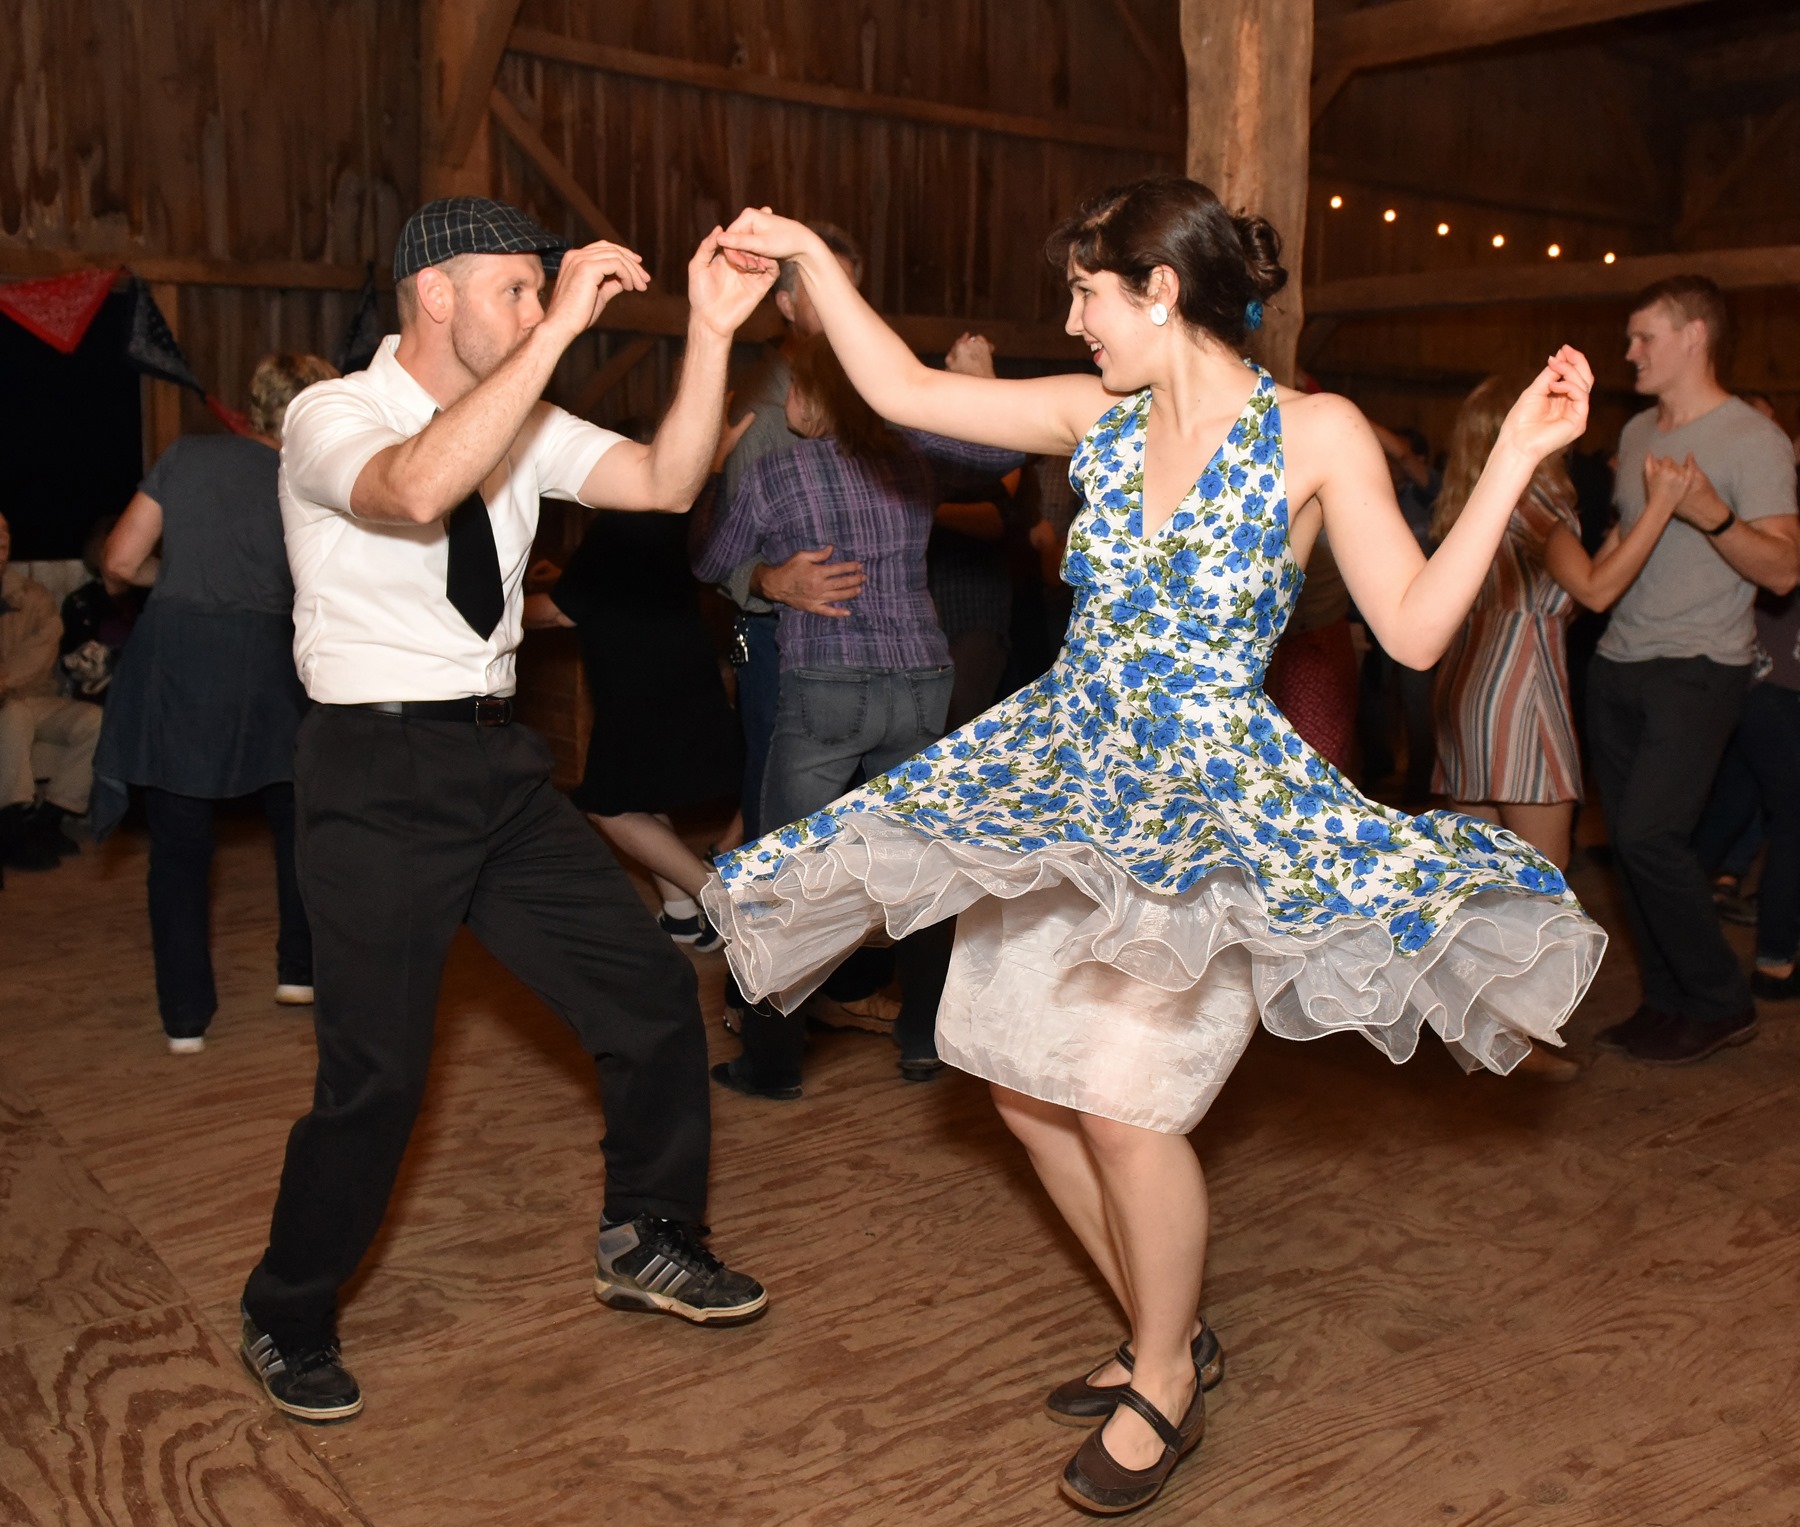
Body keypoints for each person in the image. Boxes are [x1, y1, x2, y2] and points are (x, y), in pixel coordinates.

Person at [708, 178, 1603, 1515]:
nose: (1071, 321)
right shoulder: (1095, 417)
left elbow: (1413, 628)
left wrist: (1520, 463)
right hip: (1066, 786)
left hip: (1203, 819)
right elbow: (896, 389)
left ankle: (1166, 1378)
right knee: (1016, 1085)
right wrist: (801, 265)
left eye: (1087, 292)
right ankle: (1162, 1323)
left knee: (1128, 1108)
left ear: (1162, 292)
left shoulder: (1312, 433)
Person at [236, 196, 776, 1427]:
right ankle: (286, 1309)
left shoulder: (527, 420)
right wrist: (556, 339)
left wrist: (710, 332)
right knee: (375, 1077)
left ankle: (647, 1236)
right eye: (519, 291)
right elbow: (417, 489)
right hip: (373, 775)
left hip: (495, 764)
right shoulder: (335, 415)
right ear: (437, 295)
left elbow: (667, 476)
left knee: (647, 991)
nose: (542, 312)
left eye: (545, 293)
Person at [94, 354, 336, 1053]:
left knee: (178, 845)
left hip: (179, 656)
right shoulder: (313, 482)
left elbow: (116, 560)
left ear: (254, 403)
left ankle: (185, 1018)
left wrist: (180, 577)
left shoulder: (187, 455)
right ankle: (300, 971)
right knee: (298, 819)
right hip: (273, 661)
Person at [1587, 276, 1800, 1066]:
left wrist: (1710, 511)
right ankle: (1668, 1001)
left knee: (1650, 834)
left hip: (1700, 665)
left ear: (1695, 337)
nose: (1630, 351)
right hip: (1618, 663)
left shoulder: (1752, 439)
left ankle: (1720, 999)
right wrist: (1577, 593)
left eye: (1645, 337)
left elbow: (1782, 569)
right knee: (1631, 845)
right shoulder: (1640, 429)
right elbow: (1620, 536)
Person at [1430, 372, 1686, 873]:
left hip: (1466, 688)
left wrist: (1626, 527)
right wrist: (1662, 505)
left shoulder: (1475, 507)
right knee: (1545, 889)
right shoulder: (1538, 504)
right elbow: (1594, 589)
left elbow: (1570, 592)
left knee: (1477, 883)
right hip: (1522, 691)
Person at [523, 426, 747, 951]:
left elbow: (559, 612)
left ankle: (715, 897)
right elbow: (612, 582)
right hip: (678, 672)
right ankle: (680, 915)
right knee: (639, 796)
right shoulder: (673, 511)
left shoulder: (618, 526)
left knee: (607, 804)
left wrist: (497, 614)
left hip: (641, 689)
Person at [0, 510, 102, 873]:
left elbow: (42, 654)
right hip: (7, 707)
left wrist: (6, 681)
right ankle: (11, 827)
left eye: (6, 531)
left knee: (93, 720)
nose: (2, 539)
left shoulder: (33, 596)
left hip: (31, 694)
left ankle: (49, 819)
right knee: (12, 715)